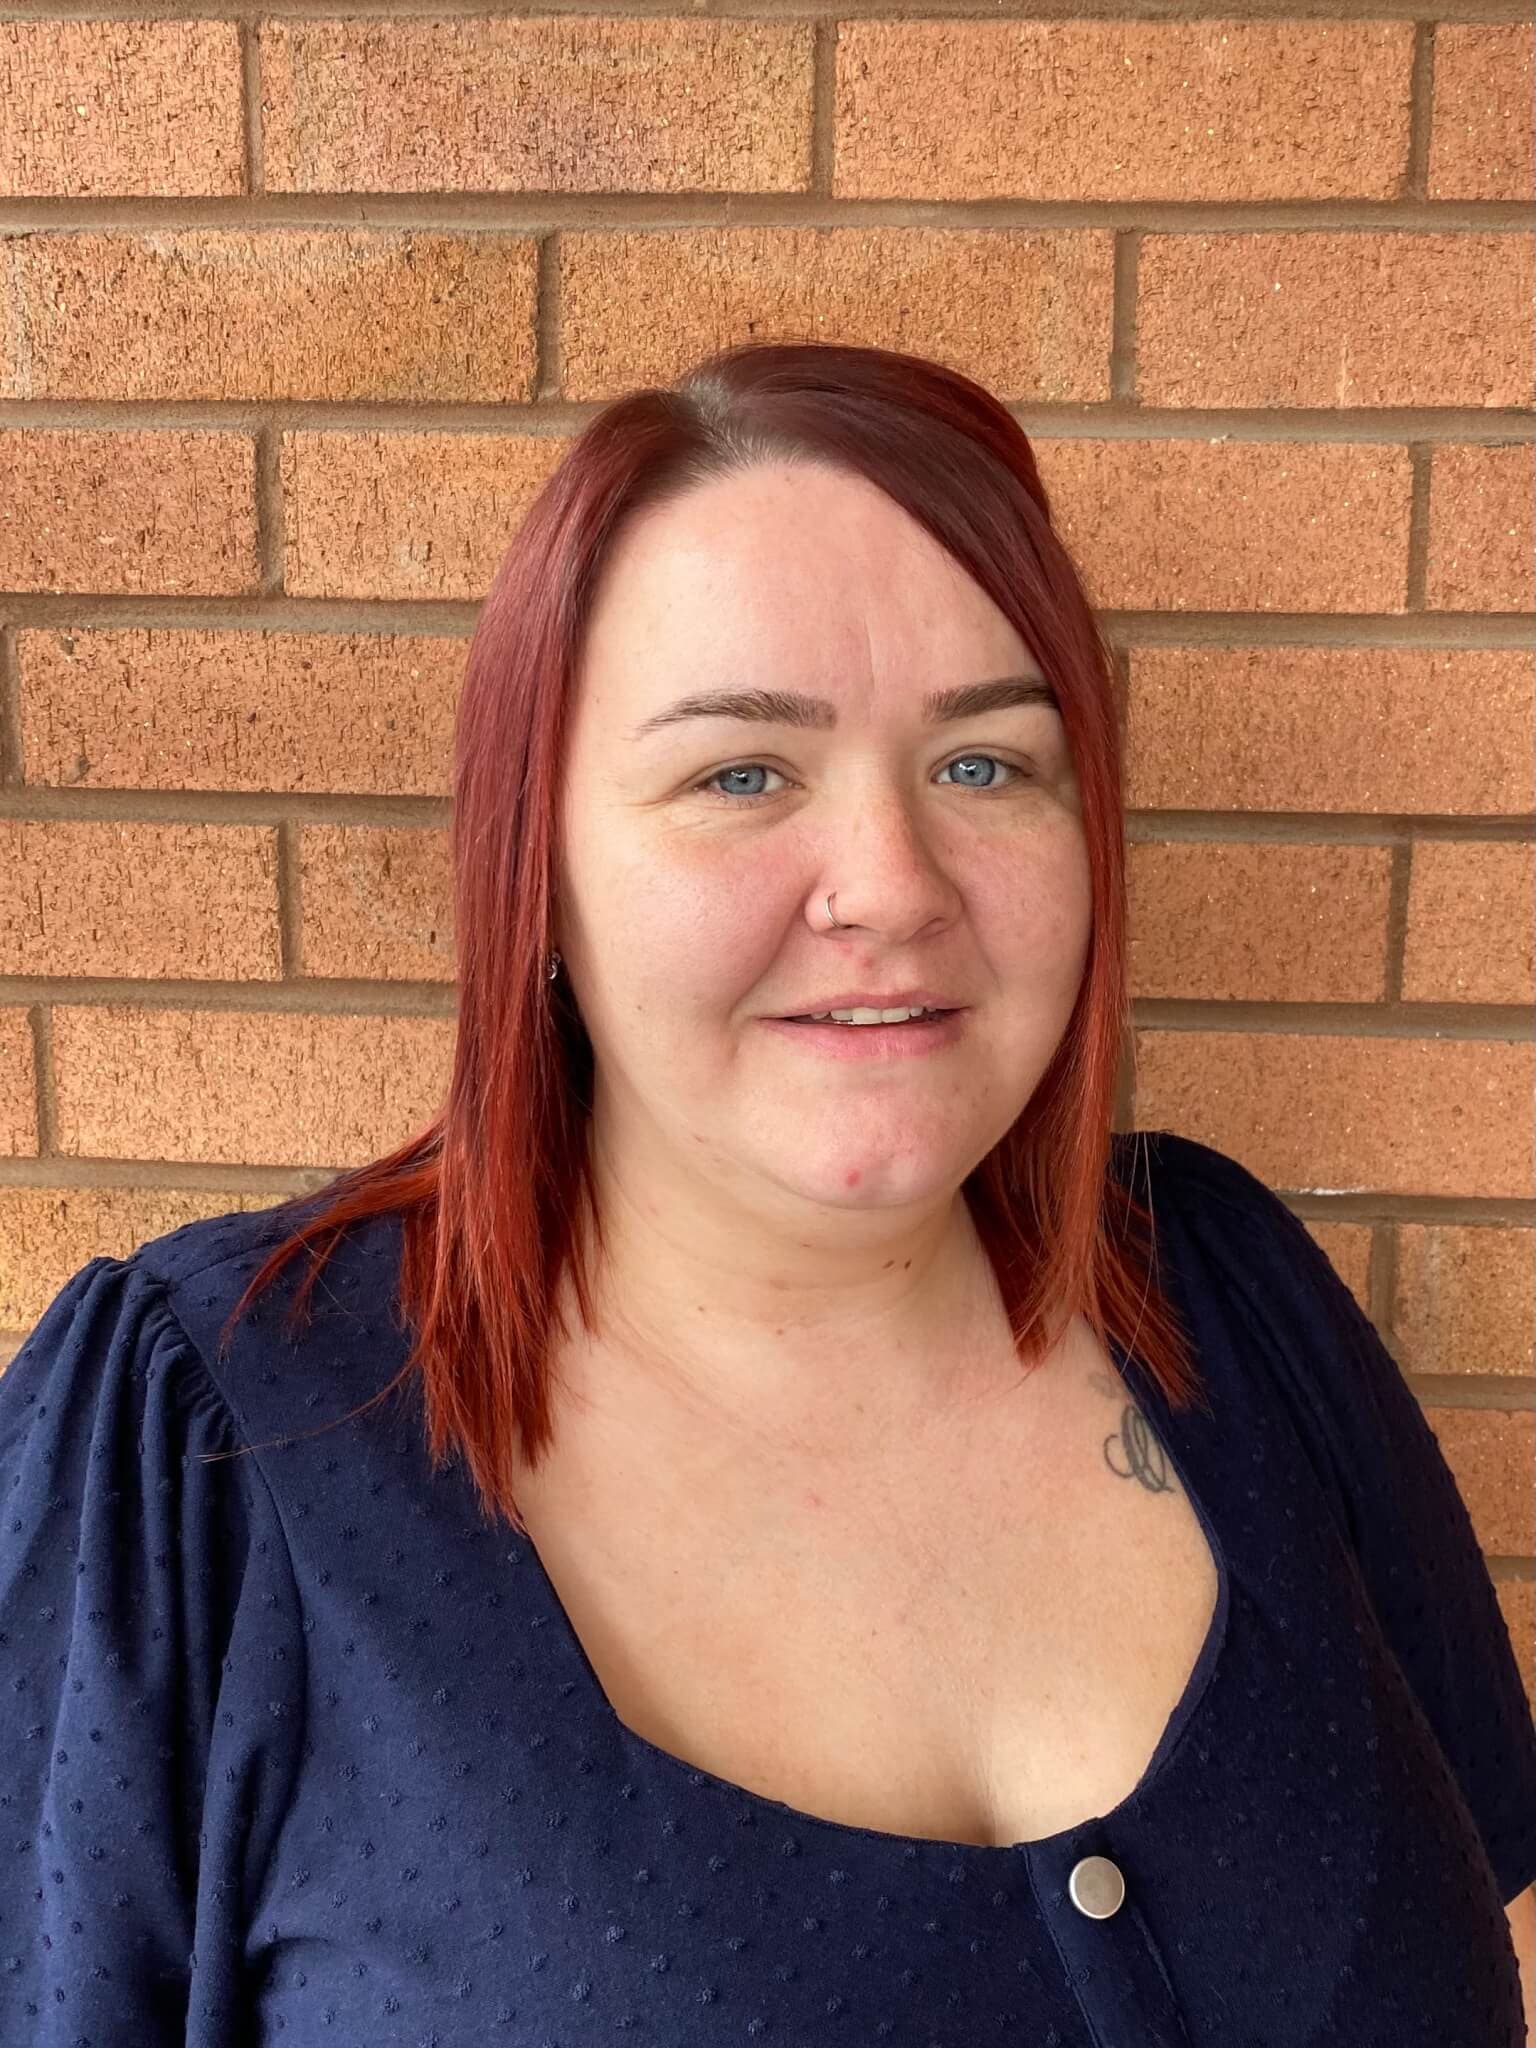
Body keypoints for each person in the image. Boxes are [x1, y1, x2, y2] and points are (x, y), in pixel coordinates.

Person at [2, 340, 1533, 2046]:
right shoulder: (205, 1450)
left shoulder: (1232, 1304)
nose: (888, 887)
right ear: (540, 872)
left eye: (985, 765)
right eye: (742, 773)